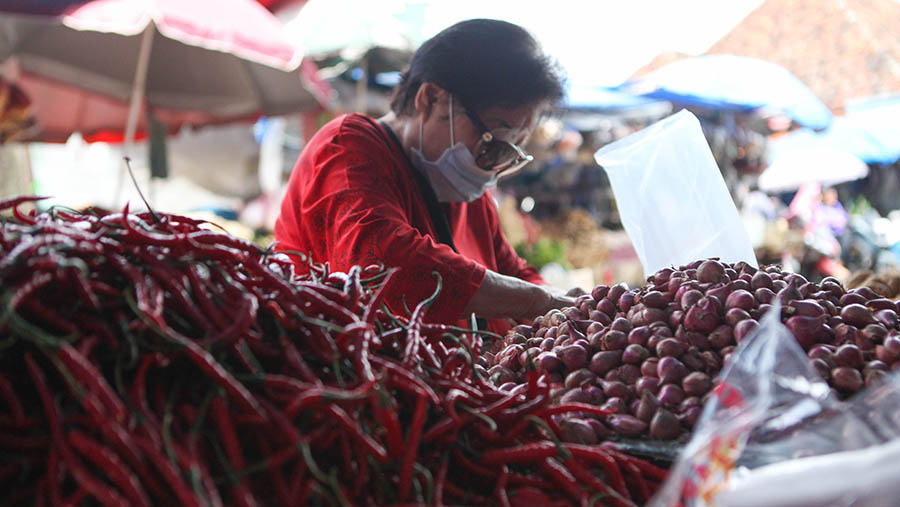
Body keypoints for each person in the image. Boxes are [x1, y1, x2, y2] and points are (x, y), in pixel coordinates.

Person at [274, 19, 579, 334]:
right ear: (431, 99)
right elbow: (381, 263)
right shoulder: (348, 145)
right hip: (347, 373)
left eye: (509, 155)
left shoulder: (465, 190)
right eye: (494, 145)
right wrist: (536, 300)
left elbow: (512, 272)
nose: (494, 168)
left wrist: (576, 308)